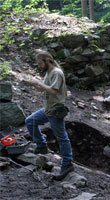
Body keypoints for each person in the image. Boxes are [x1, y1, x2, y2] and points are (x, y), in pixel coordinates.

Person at [25, 50, 73, 180]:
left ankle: (67, 163)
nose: (39, 66)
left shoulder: (57, 72)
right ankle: (41, 146)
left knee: (62, 137)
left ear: (47, 61)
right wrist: (35, 84)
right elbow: (44, 88)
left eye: (40, 63)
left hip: (55, 110)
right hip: (47, 109)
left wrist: (40, 84)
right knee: (30, 121)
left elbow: (53, 90)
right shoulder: (49, 72)